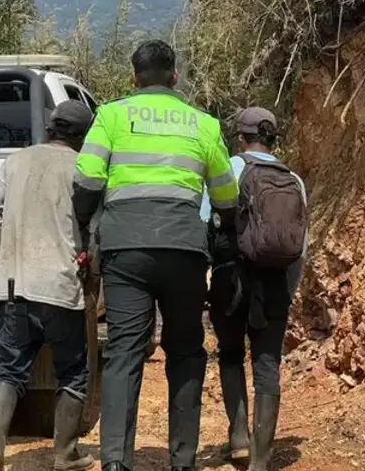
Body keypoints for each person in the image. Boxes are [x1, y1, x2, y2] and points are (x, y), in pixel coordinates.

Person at [72, 39, 239, 471]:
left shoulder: (110, 115)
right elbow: (225, 195)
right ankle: (182, 461)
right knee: (185, 350)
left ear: (133, 78)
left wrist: (86, 230)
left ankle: (114, 461)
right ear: (174, 77)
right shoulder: (202, 123)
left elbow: (87, 181)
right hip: (184, 249)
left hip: (125, 248)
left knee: (124, 352)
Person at [0, 100, 96, 471]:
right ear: (83, 138)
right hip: (61, 287)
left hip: (14, 285)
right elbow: (94, 229)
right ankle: (65, 454)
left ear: (50, 129)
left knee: (8, 371)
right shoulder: (83, 168)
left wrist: (10, 250)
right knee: (73, 371)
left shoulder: (14, 161)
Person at [201, 107, 308, 471]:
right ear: (273, 138)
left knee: (231, 355)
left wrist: (208, 280)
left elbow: (206, 224)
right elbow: (298, 249)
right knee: (268, 366)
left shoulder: (229, 169)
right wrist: (286, 291)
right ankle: (262, 462)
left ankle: (239, 440)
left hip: (231, 279)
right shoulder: (292, 179)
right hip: (274, 283)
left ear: (240, 136)